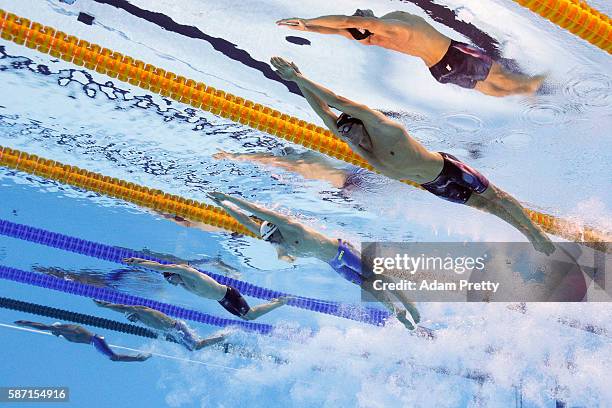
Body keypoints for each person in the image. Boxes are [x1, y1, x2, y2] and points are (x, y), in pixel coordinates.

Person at [269, 56, 555, 256]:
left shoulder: (383, 127)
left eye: (346, 130)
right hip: (434, 186)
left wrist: (299, 77)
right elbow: (325, 114)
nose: (344, 136)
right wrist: (299, 87)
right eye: (342, 134)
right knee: (488, 208)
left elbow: (336, 102)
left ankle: (534, 234)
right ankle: (527, 233)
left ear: (358, 123)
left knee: (497, 197)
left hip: (448, 169)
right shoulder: (360, 146)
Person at [207, 191, 421, 330]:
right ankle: (397, 312)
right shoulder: (278, 241)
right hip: (335, 264)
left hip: (341, 251)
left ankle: (407, 303)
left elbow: (256, 211)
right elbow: (245, 221)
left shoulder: (290, 226)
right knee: (370, 288)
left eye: (272, 237)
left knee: (377, 276)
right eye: (268, 240)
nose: (272, 242)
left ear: (275, 229)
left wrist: (228, 198)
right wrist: (223, 207)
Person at [277, 9, 545, 97]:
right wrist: (307, 22)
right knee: (501, 75)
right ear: (367, 19)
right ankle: (542, 85)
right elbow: (345, 23)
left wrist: (309, 26)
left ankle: (526, 93)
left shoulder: (371, 40)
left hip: (438, 72)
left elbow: (337, 30)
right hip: (453, 55)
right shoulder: (392, 26)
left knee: (489, 89)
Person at [122, 257, 289, 320]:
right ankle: (277, 302)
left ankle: (280, 302)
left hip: (228, 294)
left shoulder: (188, 273)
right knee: (248, 317)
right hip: (221, 300)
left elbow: (160, 266)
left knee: (251, 316)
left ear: (173, 273)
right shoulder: (183, 283)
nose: (172, 283)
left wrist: (138, 261)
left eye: (171, 279)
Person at [93, 300, 225, 351]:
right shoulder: (142, 320)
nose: (132, 320)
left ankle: (222, 337)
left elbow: (123, 307)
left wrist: (105, 306)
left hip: (177, 328)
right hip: (174, 332)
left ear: (132, 313)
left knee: (196, 346)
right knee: (193, 348)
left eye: (131, 317)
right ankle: (218, 338)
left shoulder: (142, 312)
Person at [13, 320, 151, 362]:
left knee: (114, 357)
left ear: (57, 327)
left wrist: (25, 323)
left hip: (96, 340)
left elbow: (43, 326)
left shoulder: (67, 329)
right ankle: (139, 358)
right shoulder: (64, 334)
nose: (53, 333)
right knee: (114, 358)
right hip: (94, 343)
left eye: (53, 331)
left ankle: (140, 358)